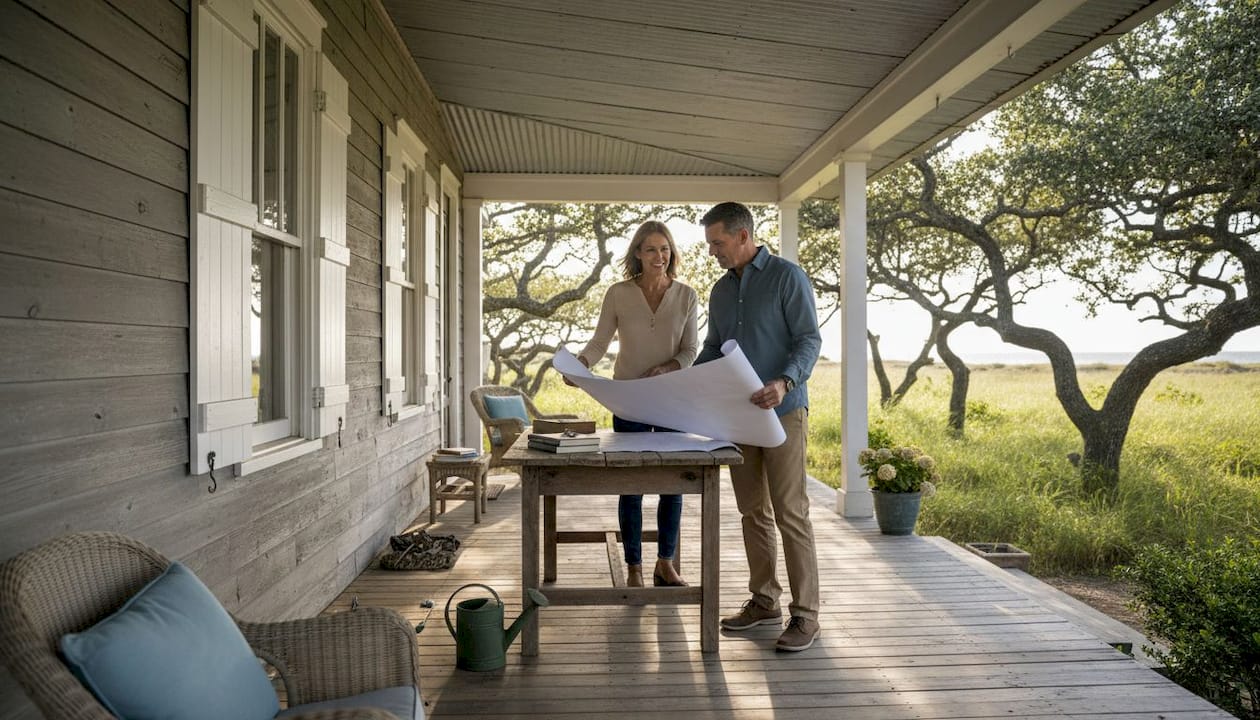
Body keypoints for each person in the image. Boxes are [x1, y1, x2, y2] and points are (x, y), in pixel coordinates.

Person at [694, 201, 823, 652]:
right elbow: (713, 347)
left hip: (784, 411)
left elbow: (810, 339)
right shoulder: (720, 291)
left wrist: (784, 382)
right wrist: (684, 382)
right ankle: (765, 599)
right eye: (710, 243)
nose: (713, 251)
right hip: (738, 416)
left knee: (790, 511)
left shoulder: (788, 277)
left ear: (744, 236)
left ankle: (806, 616)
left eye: (719, 242)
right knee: (753, 511)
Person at [575, 220, 699, 588]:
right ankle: (634, 566)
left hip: (672, 400)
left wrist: (667, 367)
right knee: (631, 485)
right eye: (650, 249)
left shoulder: (687, 296)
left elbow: (691, 350)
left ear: (671, 253)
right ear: (637, 255)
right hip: (628, 400)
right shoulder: (618, 293)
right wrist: (580, 365)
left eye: (665, 249)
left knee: (671, 485)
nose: (659, 256)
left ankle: (665, 563)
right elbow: (599, 342)